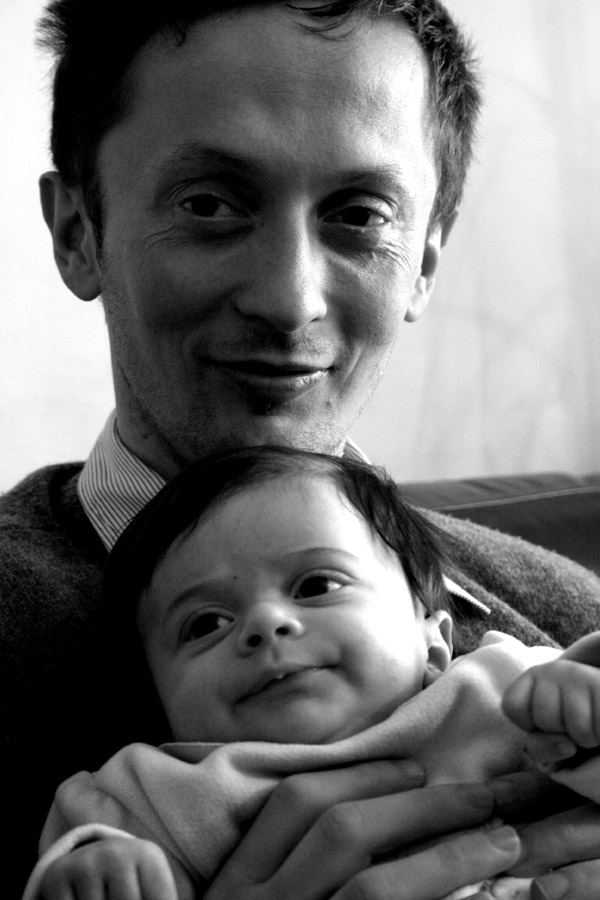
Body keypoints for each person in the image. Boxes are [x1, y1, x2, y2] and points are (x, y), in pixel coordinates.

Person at [2, 0, 600, 897]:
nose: (289, 301)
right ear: (78, 232)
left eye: (359, 214)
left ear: (423, 262)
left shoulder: (570, 625)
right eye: (209, 204)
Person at [22, 447, 600, 900]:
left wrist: (579, 707)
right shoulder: (163, 792)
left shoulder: (502, 688)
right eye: (205, 624)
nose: (264, 624)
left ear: (435, 643)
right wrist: (102, 867)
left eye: (316, 585)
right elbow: (90, 858)